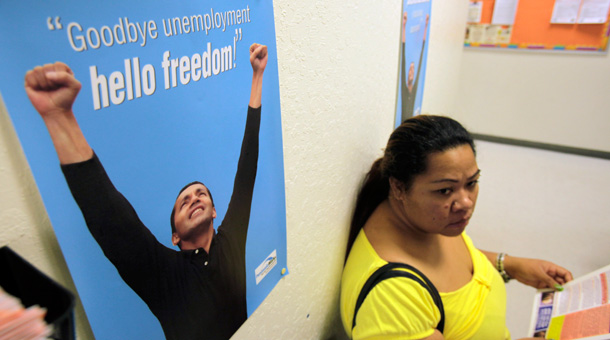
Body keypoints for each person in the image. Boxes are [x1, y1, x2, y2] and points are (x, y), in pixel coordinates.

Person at [24, 43, 268, 340]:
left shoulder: (231, 242)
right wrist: (59, 117)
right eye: (184, 202)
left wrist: (257, 77)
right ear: (175, 237)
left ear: (215, 212)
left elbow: (246, 172)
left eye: (201, 194)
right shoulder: (164, 275)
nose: (195, 199)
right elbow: (111, 217)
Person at [340, 115, 572, 340]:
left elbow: (450, 268)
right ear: (399, 188)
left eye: (471, 183)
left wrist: (510, 265)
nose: (465, 203)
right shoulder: (392, 297)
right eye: (445, 190)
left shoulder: (424, 219)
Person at [400, 12, 428, 122]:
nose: (411, 71)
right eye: (410, 69)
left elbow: (421, 54)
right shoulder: (404, 88)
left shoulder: (416, 88)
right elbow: (403, 51)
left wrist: (425, 26)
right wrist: (403, 25)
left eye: (413, 69)